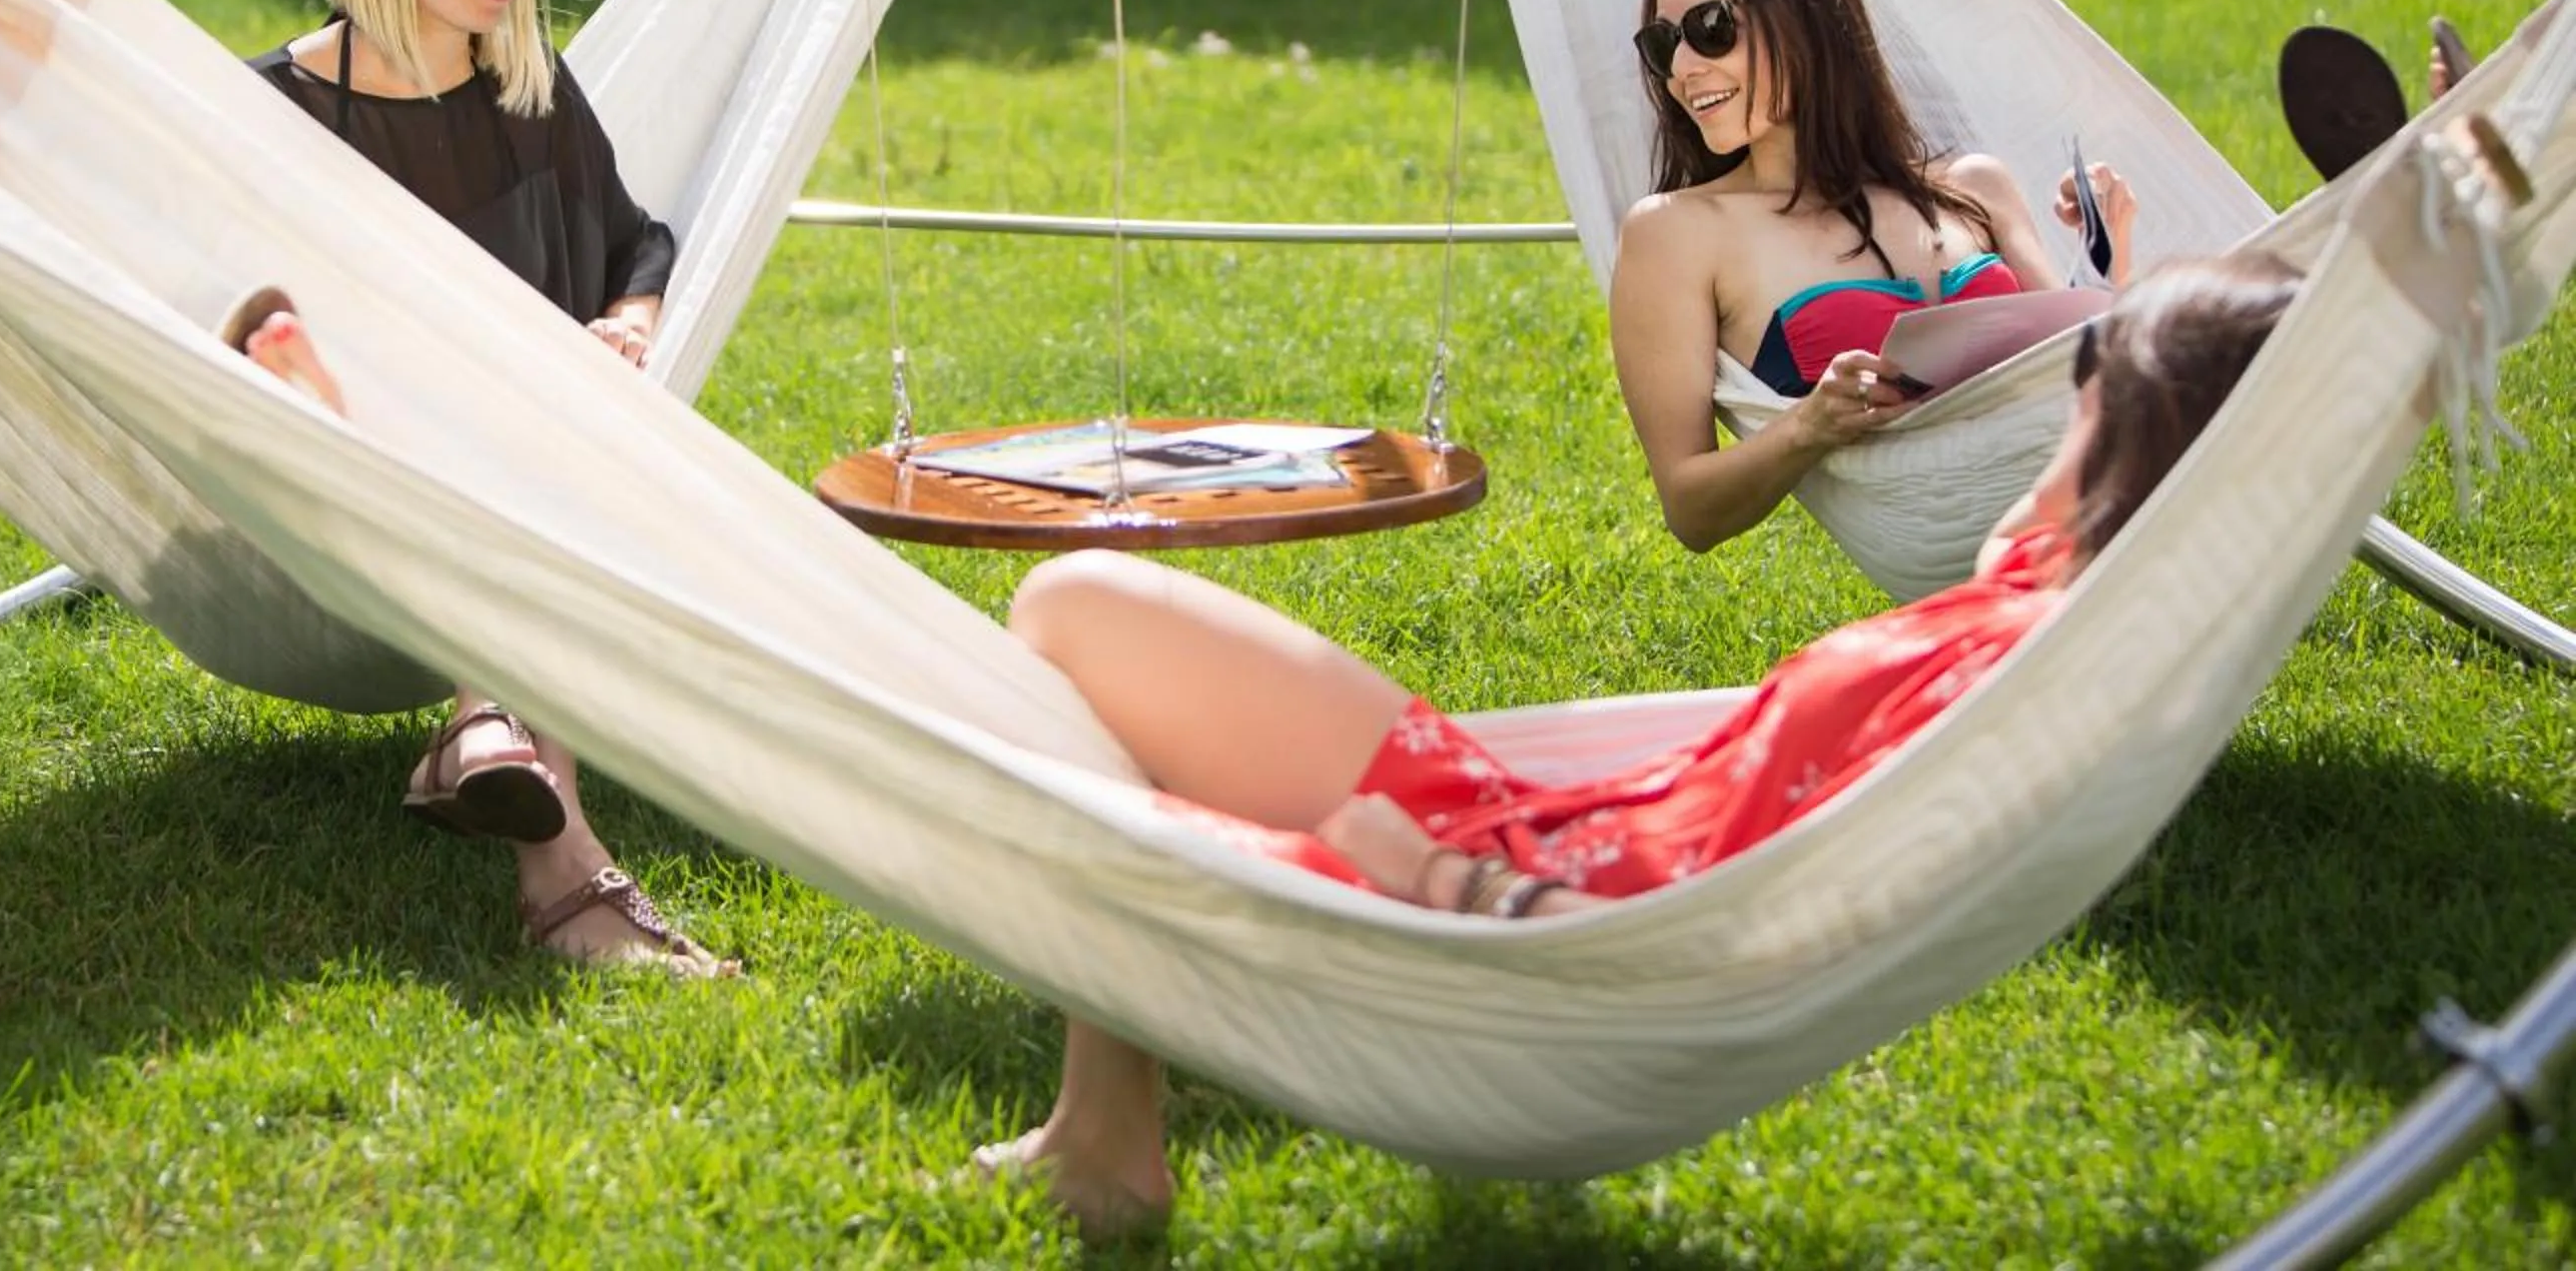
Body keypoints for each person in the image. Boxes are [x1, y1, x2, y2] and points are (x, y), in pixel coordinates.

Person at [981, 250, 2304, 1237]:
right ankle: (1103, 1132)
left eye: (2083, 397)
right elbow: (2270, 409)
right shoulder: (2052, 602)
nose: (2055, 423)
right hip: (1536, 829)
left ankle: (1105, 1158)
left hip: (1538, 944)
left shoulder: (2035, 668)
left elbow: (1759, 900)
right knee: (1080, 599)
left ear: (2135, 446)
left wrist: (1434, 880)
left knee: (1074, 811)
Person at [247, 0, 729, 977]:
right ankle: (562, 874)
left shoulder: (530, 93)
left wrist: (628, 315)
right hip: (356, 496)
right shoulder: (278, 114)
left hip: (539, 467)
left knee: (535, 440)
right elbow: (228, 317)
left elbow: (639, 241)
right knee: (510, 445)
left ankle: (484, 730)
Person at [1607, 0, 2140, 554]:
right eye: (1664, 44)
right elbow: (1691, 509)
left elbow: (2082, 383)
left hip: (2089, 498)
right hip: (1958, 532)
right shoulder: (1676, 234)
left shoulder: (1972, 186)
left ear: (1806, 26)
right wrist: (1810, 425)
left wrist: (2107, 255)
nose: (1683, 68)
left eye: (1711, 28)